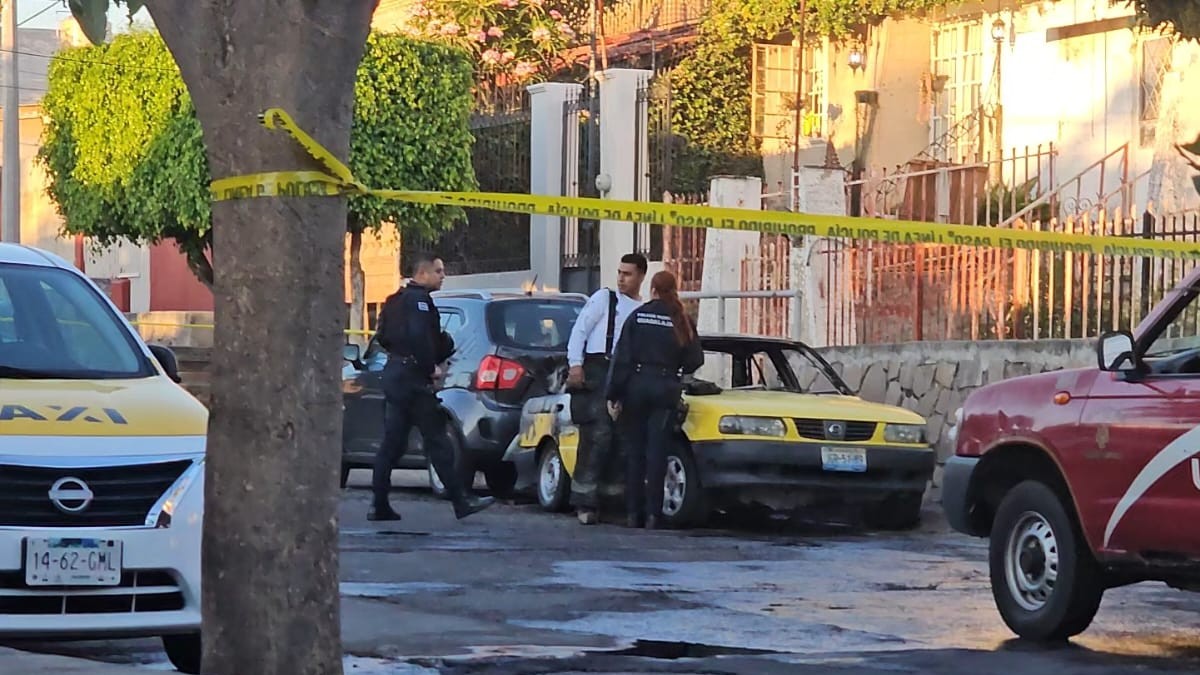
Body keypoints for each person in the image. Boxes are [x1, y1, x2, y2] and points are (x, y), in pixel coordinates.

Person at [369, 253, 495, 522]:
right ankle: (461, 502)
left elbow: (382, 337)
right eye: (438, 271)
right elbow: (419, 337)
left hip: (394, 375)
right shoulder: (420, 302)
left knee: (392, 444)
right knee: (438, 440)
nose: (443, 276)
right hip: (414, 380)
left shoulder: (394, 301)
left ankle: (378, 504)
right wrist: (430, 367)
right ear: (423, 274)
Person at [606, 270, 703, 530]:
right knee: (657, 453)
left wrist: (613, 394)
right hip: (666, 389)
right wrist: (674, 370)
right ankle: (653, 515)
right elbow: (695, 359)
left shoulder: (638, 316)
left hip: (637, 387)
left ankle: (632, 514)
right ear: (674, 289)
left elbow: (622, 357)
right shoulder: (681, 319)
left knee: (635, 453)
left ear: (652, 289)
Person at [564, 252, 648, 524]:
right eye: (620, 272)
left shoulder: (642, 309)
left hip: (624, 372)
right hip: (597, 368)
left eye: (628, 274)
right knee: (597, 436)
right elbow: (579, 331)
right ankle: (584, 502)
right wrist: (576, 365)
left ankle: (613, 501)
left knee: (622, 439)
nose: (622, 278)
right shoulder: (604, 299)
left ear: (641, 276)